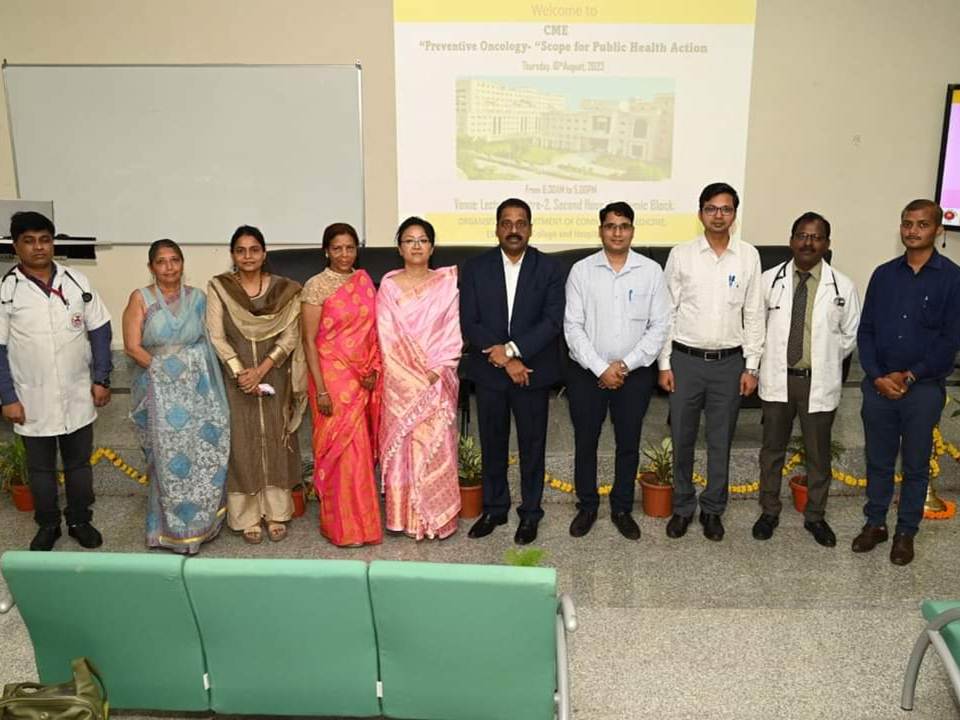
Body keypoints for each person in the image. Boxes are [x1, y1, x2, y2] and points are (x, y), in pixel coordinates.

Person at [854, 199, 960, 566]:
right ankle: (875, 523)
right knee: (878, 461)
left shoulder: (952, 278)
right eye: (907, 223)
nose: (912, 231)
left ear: (938, 229)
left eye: (922, 224)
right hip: (879, 386)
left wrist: (911, 374)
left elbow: (950, 340)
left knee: (915, 464)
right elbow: (866, 331)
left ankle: (905, 532)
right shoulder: (884, 275)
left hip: (924, 388)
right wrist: (877, 376)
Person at [0, 211, 112, 552]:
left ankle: (80, 520)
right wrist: (7, 397)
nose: (38, 247)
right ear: (16, 246)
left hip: (78, 392)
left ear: (53, 243)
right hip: (30, 397)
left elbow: (100, 330)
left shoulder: (76, 281)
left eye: (45, 240)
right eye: (29, 241)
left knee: (79, 465)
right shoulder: (7, 290)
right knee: (40, 470)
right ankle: (48, 524)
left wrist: (101, 378)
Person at [658, 182, 764, 542]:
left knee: (721, 441)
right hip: (685, 361)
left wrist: (752, 366)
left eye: (726, 209)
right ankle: (682, 507)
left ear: (735, 214)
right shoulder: (682, 254)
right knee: (682, 438)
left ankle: (713, 509)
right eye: (711, 208)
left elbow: (754, 314)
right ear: (700, 212)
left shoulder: (748, 256)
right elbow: (666, 312)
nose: (718, 215)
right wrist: (664, 363)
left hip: (729, 364)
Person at [460, 198, 564, 545]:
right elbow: (469, 321)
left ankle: (530, 513)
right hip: (490, 372)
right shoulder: (475, 268)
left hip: (531, 371)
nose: (514, 230)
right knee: (492, 443)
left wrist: (514, 351)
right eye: (507, 223)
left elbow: (552, 321)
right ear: (497, 229)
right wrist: (506, 359)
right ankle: (495, 509)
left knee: (532, 446)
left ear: (530, 229)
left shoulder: (549, 269)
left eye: (521, 223)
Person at [564, 201, 671, 540]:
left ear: (632, 231)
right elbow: (572, 327)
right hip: (587, 372)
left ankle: (622, 508)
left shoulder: (651, 271)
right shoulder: (581, 271)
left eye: (623, 226)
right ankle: (587, 506)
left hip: (634, 373)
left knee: (628, 442)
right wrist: (600, 368)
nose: (617, 232)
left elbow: (660, 326)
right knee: (586, 441)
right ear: (601, 231)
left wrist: (624, 365)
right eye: (610, 226)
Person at [754, 212, 860, 547]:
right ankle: (769, 511)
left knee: (818, 453)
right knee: (772, 450)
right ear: (791, 240)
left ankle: (815, 516)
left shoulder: (843, 286)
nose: (808, 242)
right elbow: (755, 328)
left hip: (817, 381)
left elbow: (850, 335)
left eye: (816, 237)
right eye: (802, 235)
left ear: (827, 244)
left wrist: (824, 357)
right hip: (777, 379)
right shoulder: (768, 280)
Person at [122, 239, 230, 554]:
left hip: (196, 391)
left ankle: (201, 524)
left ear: (182, 263)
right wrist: (165, 372)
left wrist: (187, 372)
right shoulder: (140, 298)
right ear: (151, 267)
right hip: (156, 390)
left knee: (199, 453)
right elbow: (132, 346)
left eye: (175, 260)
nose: (169, 267)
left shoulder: (198, 299)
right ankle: (165, 530)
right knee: (164, 459)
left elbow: (209, 342)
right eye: (161, 261)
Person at [206, 225, 306, 544]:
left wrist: (261, 370)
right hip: (236, 379)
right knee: (243, 441)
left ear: (264, 254)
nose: (247, 256)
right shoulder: (220, 288)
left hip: (274, 373)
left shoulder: (285, 290)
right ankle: (247, 516)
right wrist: (240, 372)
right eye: (240, 251)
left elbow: (291, 335)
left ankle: (276, 513)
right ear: (233, 255)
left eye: (254, 250)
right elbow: (216, 335)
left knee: (276, 437)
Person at [377, 217, 462, 540]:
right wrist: (410, 376)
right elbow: (386, 338)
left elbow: (452, 332)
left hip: (435, 379)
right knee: (403, 449)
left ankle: (435, 518)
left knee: (434, 447)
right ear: (399, 248)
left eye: (423, 240)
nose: (416, 246)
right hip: (400, 382)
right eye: (409, 240)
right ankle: (403, 518)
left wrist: (435, 372)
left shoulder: (445, 285)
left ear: (432, 247)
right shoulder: (388, 286)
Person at [301, 223, 383, 547]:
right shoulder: (316, 286)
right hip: (331, 377)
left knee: (358, 451)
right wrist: (321, 389)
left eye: (350, 248)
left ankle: (363, 525)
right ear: (326, 251)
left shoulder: (363, 282)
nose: (344, 254)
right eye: (337, 248)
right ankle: (341, 527)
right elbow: (309, 341)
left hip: (361, 377)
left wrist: (373, 368)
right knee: (341, 452)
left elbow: (374, 332)